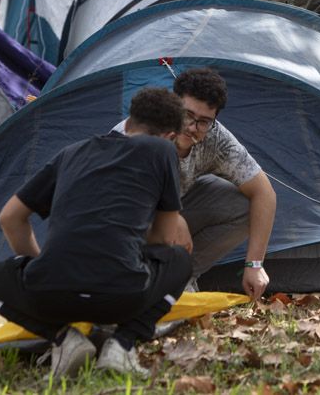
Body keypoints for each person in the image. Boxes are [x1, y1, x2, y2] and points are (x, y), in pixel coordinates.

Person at [0, 88, 192, 379]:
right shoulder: (163, 150)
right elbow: (165, 239)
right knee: (179, 259)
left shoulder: (71, 153)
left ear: (128, 122)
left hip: (51, 297)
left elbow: (10, 218)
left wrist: (41, 266)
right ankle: (123, 343)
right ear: (169, 136)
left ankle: (63, 339)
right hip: (121, 297)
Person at [115, 68, 276, 297]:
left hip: (173, 213)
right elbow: (115, 197)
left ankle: (181, 277)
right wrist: (171, 215)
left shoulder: (215, 137)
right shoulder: (143, 130)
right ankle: (138, 276)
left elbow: (265, 193)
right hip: (126, 219)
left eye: (203, 121)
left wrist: (255, 264)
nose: (192, 127)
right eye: (187, 115)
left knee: (246, 205)